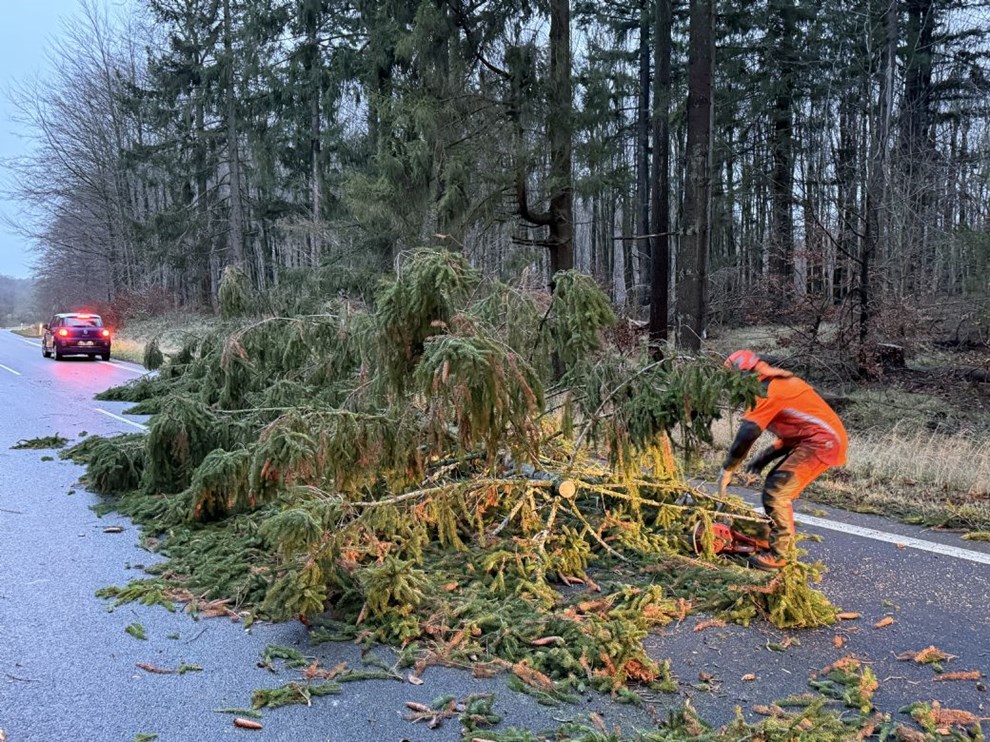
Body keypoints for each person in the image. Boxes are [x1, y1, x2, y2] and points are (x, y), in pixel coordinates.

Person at [719, 350, 848, 571]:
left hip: (822, 442)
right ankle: (765, 538)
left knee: (777, 490)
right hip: (810, 439)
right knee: (774, 484)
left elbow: (748, 432)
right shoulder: (771, 384)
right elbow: (794, 430)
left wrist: (728, 469)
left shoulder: (769, 390)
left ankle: (780, 555)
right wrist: (763, 457)